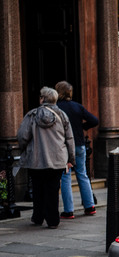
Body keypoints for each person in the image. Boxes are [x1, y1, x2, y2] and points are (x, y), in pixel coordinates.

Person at [17, 87, 75, 229]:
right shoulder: (62, 115)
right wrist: (71, 159)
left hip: (36, 159)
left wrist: (23, 148)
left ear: (42, 99)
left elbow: (22, 136)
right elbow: (69, 139)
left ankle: (38, 217)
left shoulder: (32, 115)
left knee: (38, 189)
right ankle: (53, 221)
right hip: (57, 160)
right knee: (53, 190)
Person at [55, 81, 99, 218]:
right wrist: (83, 128)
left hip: (64, 146)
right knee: (82, 174)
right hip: (79, 144)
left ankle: (69, 210)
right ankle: (89, 206)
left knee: (66, 176)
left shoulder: (56, 108)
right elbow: (94, 120)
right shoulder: (77, 107)